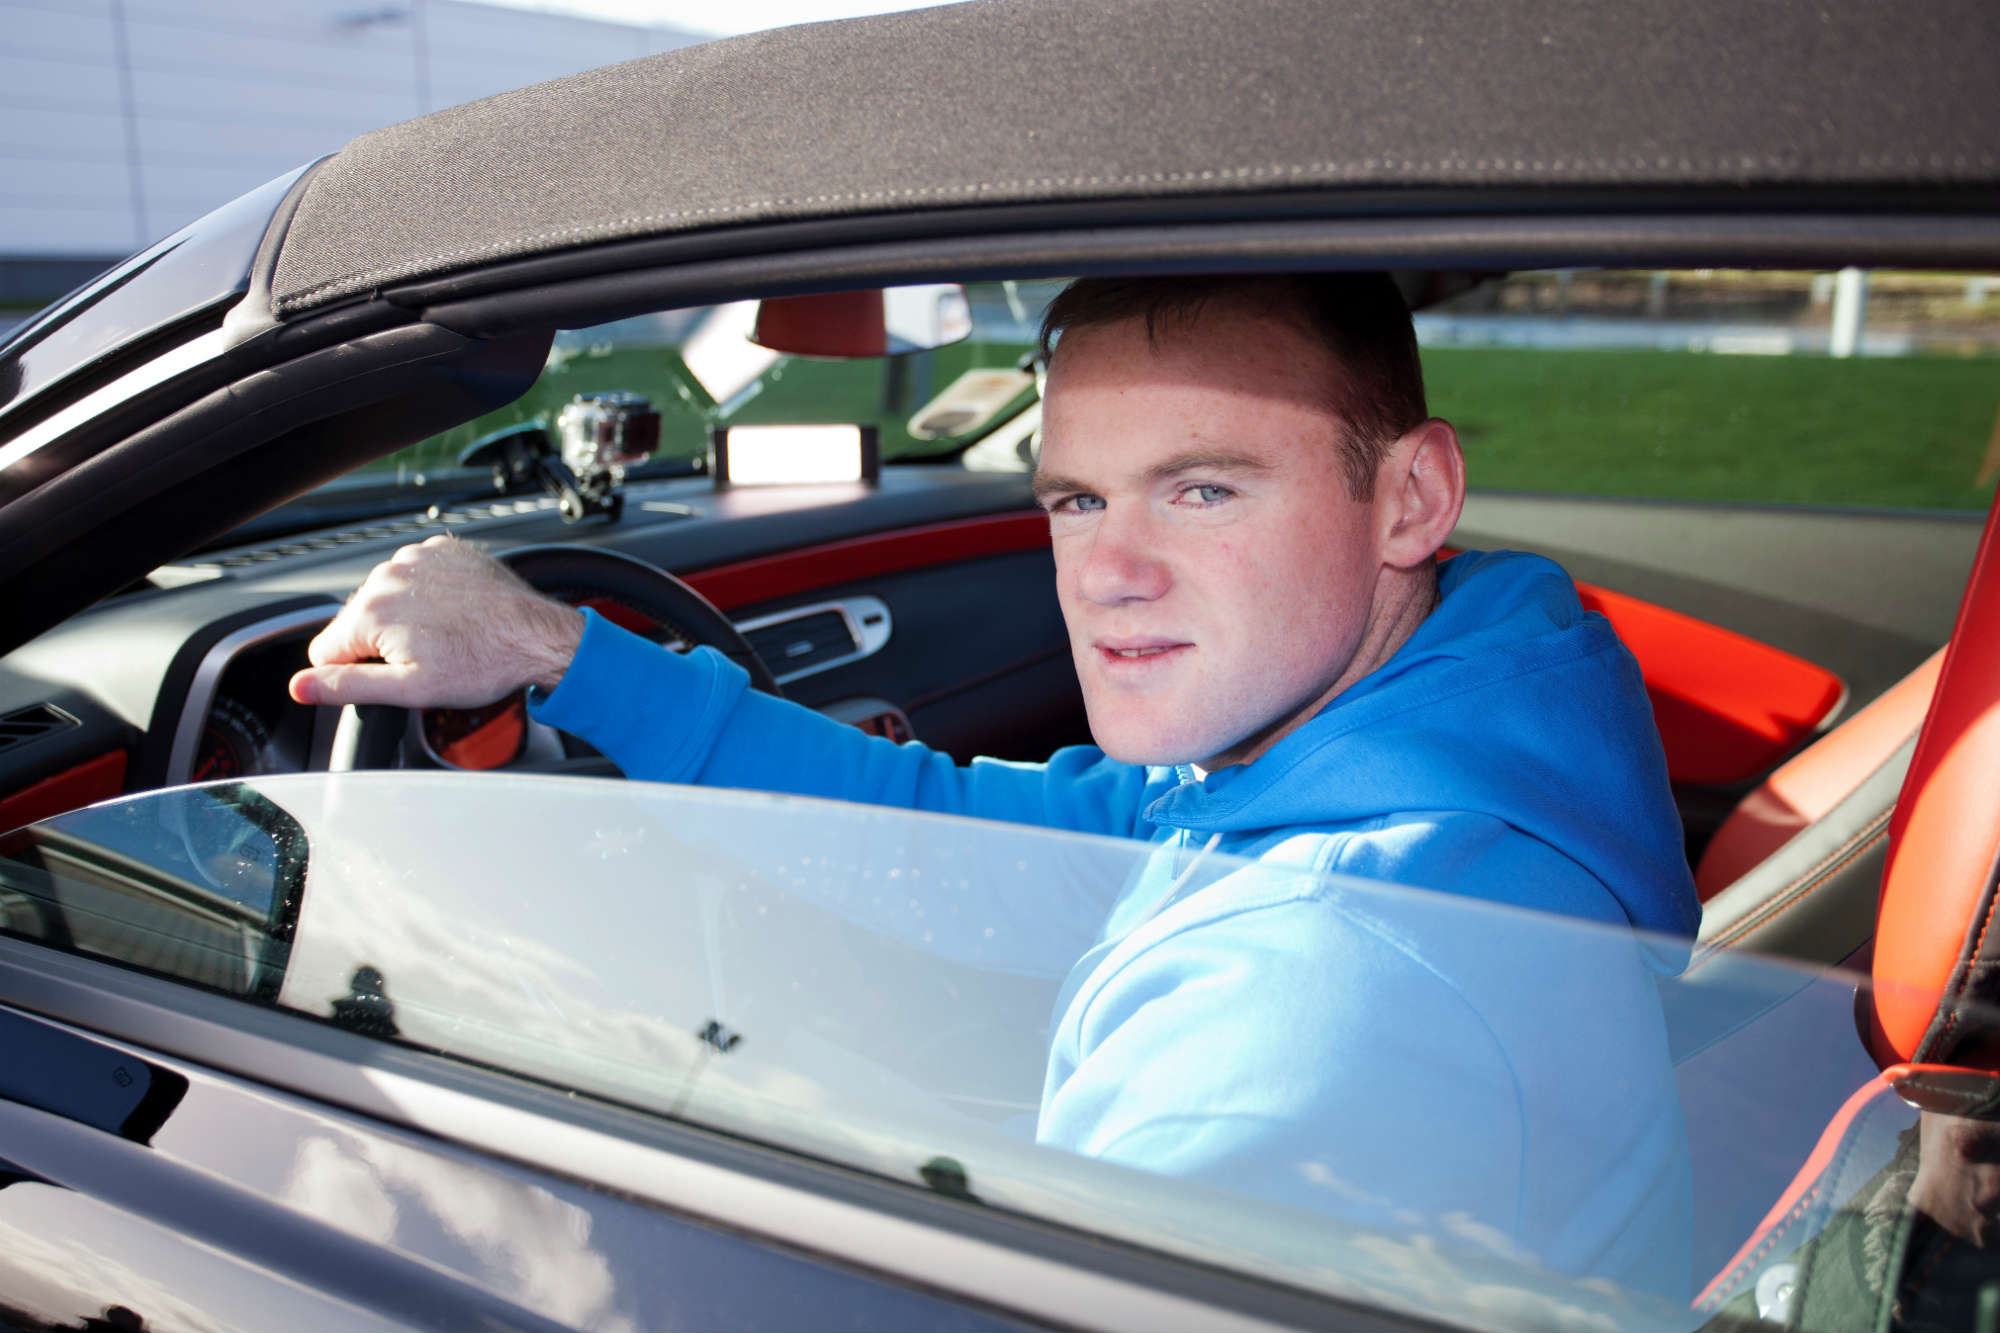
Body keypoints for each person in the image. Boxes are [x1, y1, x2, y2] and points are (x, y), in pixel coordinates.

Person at [291, 274, 1700, 1300]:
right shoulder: (1397, 733)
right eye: (1076, 499)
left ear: (1409, 500)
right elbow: (966, 836)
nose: (1107, 572)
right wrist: (563, 651)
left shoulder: (1325, 1000)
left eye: (1200, 490)